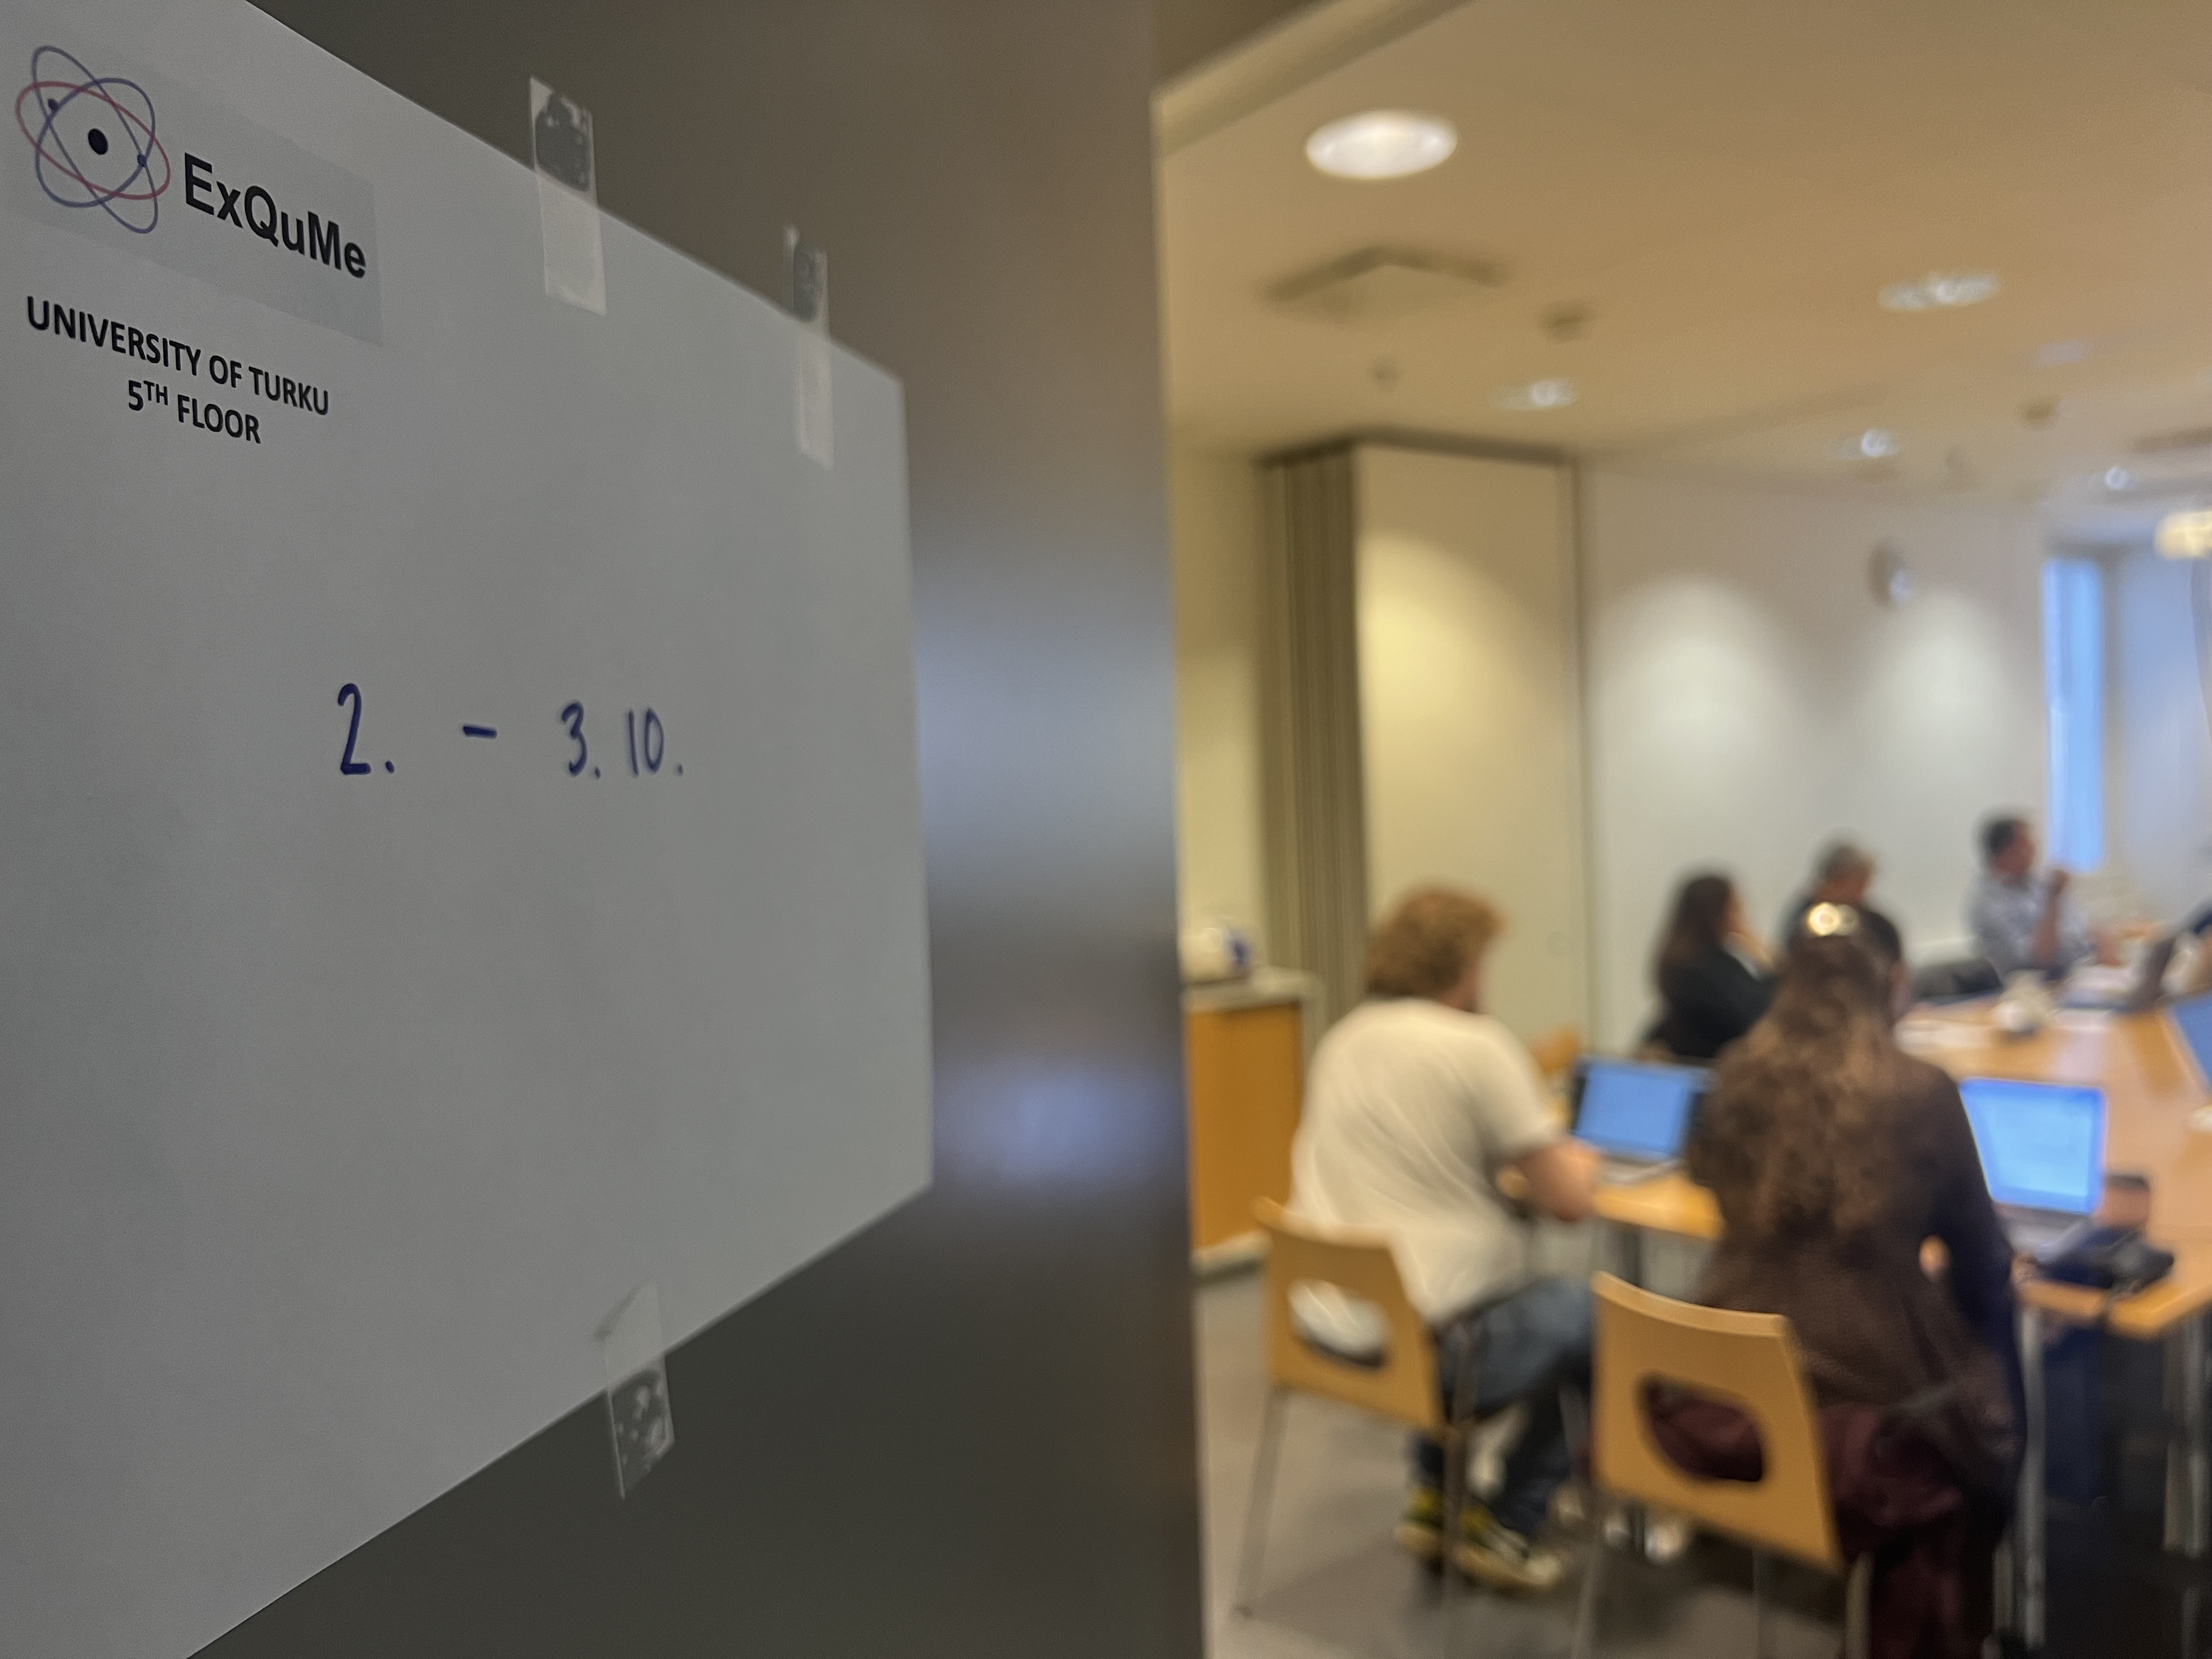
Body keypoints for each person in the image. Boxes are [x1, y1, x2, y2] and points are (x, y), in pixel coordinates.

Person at [1667, 903, 2020, 1658]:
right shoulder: (1919, 1092)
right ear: (1892, 986)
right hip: (1856, 1415)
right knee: (1991, 1387)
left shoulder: (1733, 1076)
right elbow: (1984, 1263)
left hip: (1722, 1382)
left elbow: (1705, 1180)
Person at [1288, 886, 1598, 1593]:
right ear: (1464, 965)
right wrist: (1580, 1164)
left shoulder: (1343, 1039)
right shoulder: (1478, 1048)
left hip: (1321, 1328)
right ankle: (1511, 1521)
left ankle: (1436, 1496)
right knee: (1592, 1319)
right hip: (1423, 1352)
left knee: (1451, 1289)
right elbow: (1570, 1205)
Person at [1647, 872, 1774, 1060]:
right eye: (1736, 910)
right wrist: (1767, 961)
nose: (1741, 920)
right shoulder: (1701, 970)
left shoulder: (1690, 961)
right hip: (1712, 1064)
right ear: (1718, 913)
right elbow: (1755, 1017)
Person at [1966, 812, 2099, 978]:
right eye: (2028, 844)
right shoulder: (1987, 904)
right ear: (2008, 851)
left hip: (2080, 971)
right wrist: (2053, 900)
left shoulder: (2038, 882)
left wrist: (2100, 941)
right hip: (2036, 984)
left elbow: (2083, 931)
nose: (2035, 851)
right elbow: (2039, 959)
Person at [1776, 839, 1875, 947]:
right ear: (1838, 879)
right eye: (1859, 885)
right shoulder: (1803, 919)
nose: (1861, 895)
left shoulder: (1874, 923)